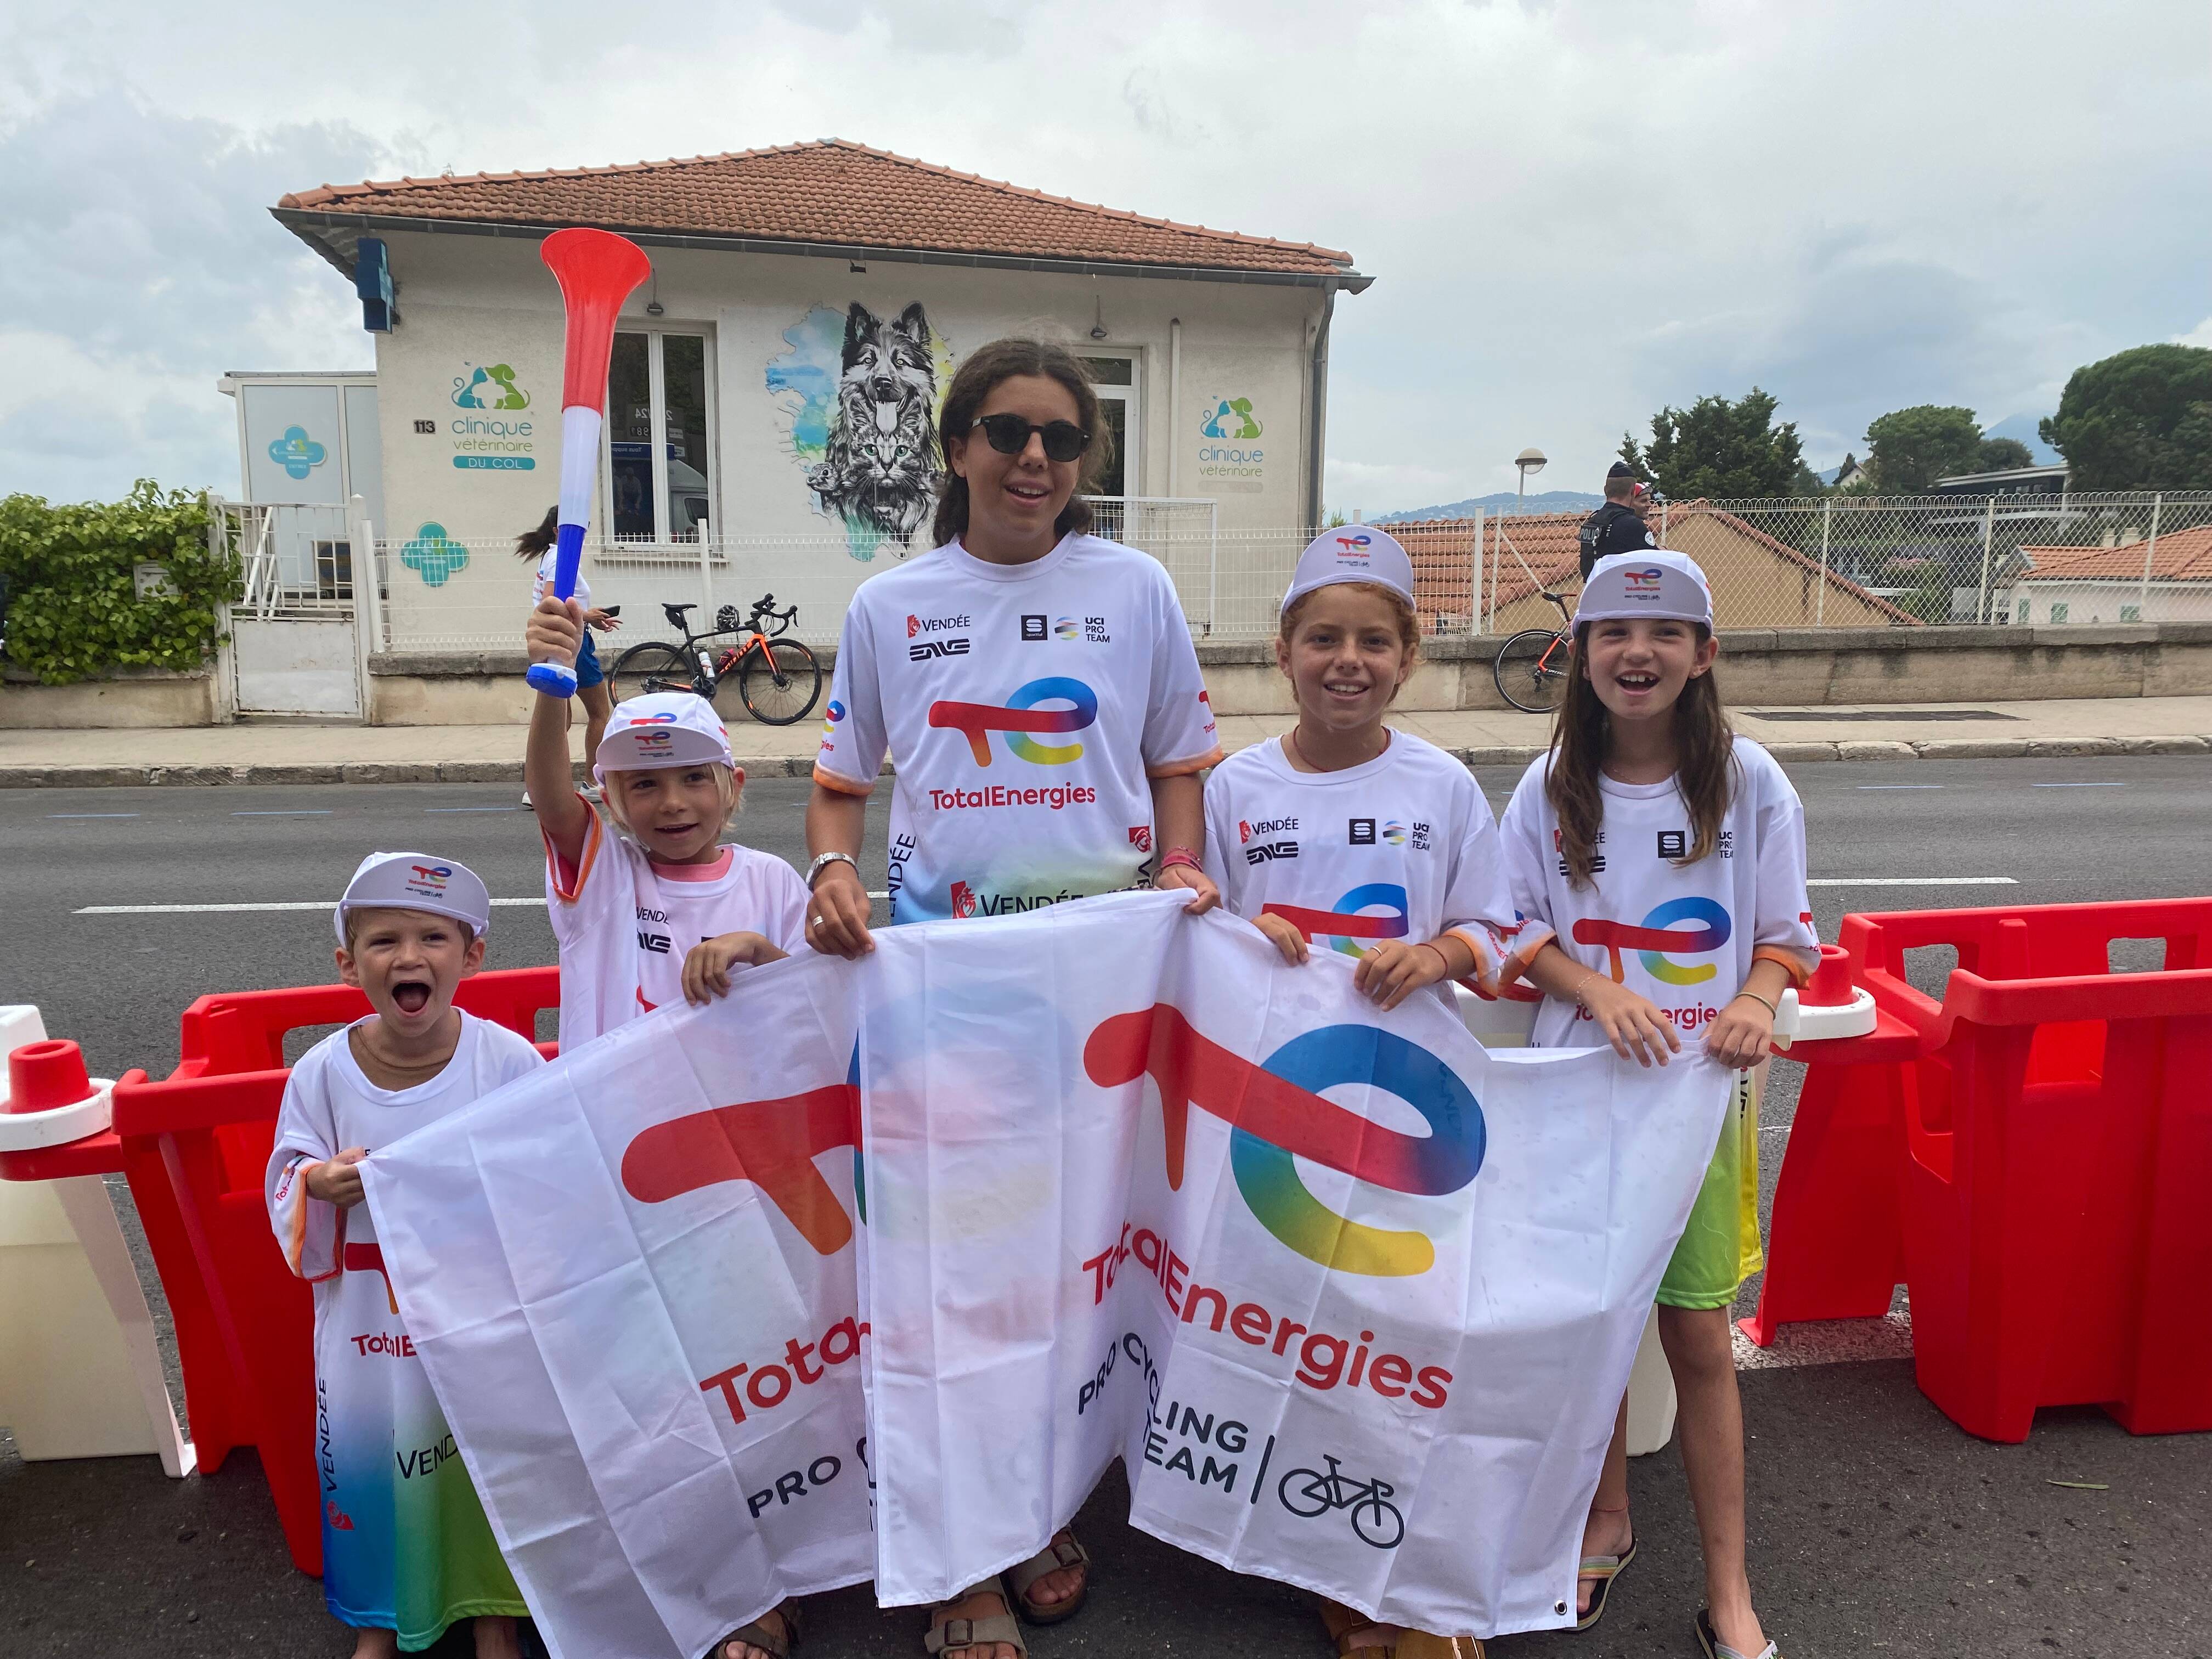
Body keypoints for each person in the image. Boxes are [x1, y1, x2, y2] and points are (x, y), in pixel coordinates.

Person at [802, 337, 1223, 1659]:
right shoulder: (890, 605)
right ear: (957, 447)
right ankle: (962, 1561)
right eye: (1007, 430)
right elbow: (840, 788)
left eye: (1062, 436)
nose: (1035, 457)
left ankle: (1032, 1505)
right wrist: (829, 868)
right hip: (945, 998)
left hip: (1097, 993)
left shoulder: (1136, 586)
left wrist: (1185, 867)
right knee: (952, 1283)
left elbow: (1178, 762)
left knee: (1063, 1277)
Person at [1201, 526, 1515, 1659]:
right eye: (1323, 637)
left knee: (1404, 1333)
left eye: (1374, 640)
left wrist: (1439, 956)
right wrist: (1248, 933)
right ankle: (1325, 1557)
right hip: (1278, 1115)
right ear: (1281, 652)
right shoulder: (1236, 787)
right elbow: (1190, 937)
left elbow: (1499, 927)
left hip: (1410, 1111)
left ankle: (1399, 1566)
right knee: (1295, 1332)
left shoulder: (1441, 783)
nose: (1349, 659)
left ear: (1409, 657)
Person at [1497, 549, 1814, 1659]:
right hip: (1574, 1108)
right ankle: (1603, 1521)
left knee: (1698, 1343)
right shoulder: (1547, 789)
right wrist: (1593, 991)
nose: (1639, 655)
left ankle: (1730, 1587)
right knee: (1589, 1335)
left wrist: (1755, 1000)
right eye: (1614, 636)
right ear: (1580, 657)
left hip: (1693, 1117)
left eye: (1665, 633)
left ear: (1705, 653)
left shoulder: (1751, 780)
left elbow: (1787, 938)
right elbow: (1512, 932)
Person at [264, 853, 545, 1659]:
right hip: (365, 1332)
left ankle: (494, 1611)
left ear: (473, 955)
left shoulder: (508, 1063)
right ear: (349, 964)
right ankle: (381, 1615)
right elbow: (286, 1174)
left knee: (484, 1454)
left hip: (477, 1320)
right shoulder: (321, 1073)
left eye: (434, 936)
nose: (410, 957)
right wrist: (318, 1182)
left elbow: (548, 1177)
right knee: (370, 1459)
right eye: (384, 940)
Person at [516, 505, 622, 793]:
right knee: (599, 712)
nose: (582, 535)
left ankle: (543, 787)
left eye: (584, 528)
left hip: (558, 638)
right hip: (570, 640)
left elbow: (560, 600)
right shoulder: (561, 558)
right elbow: (552, 601)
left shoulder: (553, 556)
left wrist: (591, 616)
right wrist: (587, 618)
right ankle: (592, 783)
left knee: (560, 716)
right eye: (577, 529)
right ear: (557, 531)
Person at [1577, 461, 1659, 582]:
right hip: (1622, 594)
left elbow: (1587, 566)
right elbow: (1656, 563)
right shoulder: (1632, 525)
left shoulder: (1592, 522)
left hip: (1592, 593)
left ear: (1606, 491)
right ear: (1632, 492)